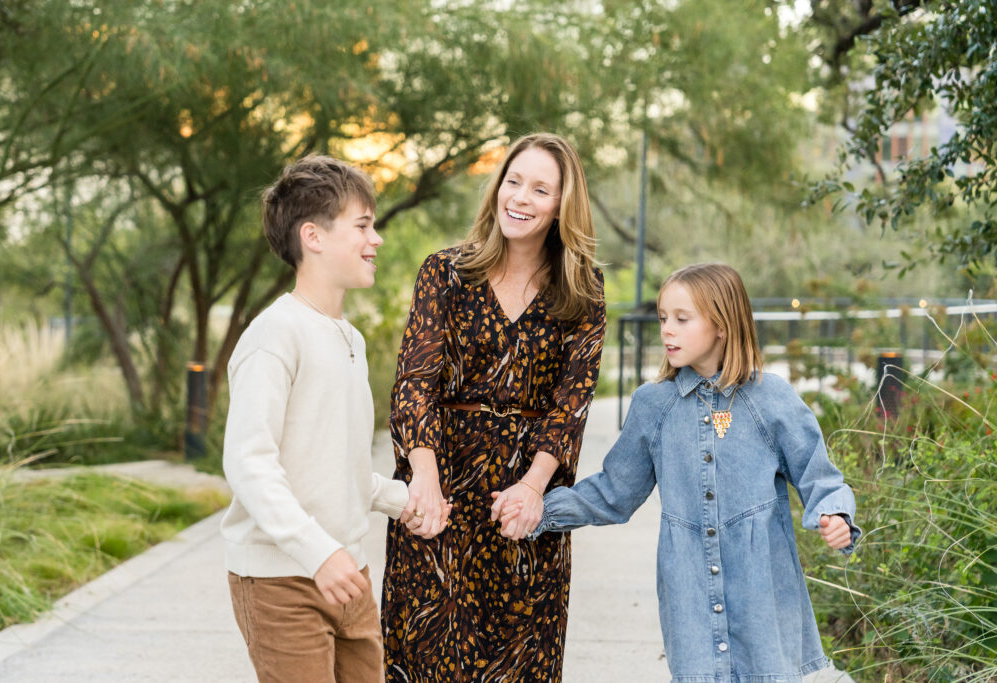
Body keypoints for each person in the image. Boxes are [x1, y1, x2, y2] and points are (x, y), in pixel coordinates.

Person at [501, 262, 862, 682]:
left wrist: (835, 514)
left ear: (722, 325)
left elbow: (820, 477)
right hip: (689, 594)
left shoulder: (771, 399)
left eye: (681, 319)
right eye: (662, 318)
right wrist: (538, 512)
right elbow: (614, 492)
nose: (666, 330)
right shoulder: (654, 405)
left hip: (764, 593)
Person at [380, 133, 606, 682]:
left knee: (520, 666)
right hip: (440, 495)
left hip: (523, 507)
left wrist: (534, 488)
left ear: (561, 206)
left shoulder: (583, 291)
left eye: (540, 189)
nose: (521, 198)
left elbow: (570, 406)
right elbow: (415, 381)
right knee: (427, 659)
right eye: (513, 181)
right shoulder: (446, 272)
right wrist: (424, 479)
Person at [220, 155, 409, 683]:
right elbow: (249, 463)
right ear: (314, 236)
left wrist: (400, 501)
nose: (377, 240)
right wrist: (317, 553)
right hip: (283, 581)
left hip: (348, 573)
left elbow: (328, 463)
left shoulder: (351, 339)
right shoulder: (274, 335)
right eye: (363, 226)